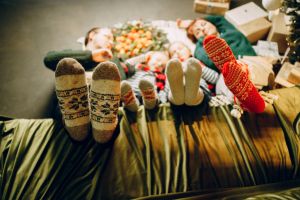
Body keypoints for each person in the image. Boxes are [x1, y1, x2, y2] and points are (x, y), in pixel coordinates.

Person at [177, 15, 257, 73]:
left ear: (212, 24)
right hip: (239, 71)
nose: (202, 29)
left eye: (203, 24)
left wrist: (192, 22)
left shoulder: (227, 29)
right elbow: (210, 61)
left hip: (255, 61)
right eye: (198, 32)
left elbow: (219, 19)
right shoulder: (201, 50)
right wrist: (204, 39)